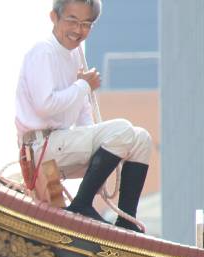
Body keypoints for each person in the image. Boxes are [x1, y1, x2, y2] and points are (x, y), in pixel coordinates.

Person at [15, 0, 150, 228]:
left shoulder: (75, 54)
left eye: (86, 24)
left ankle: (126, 221)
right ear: (54, 17)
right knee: (122, 129)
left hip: (62, 145)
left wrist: (102, 152)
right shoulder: (43, 51)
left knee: (141, 138)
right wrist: (83, 86)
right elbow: (44, 105)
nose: (79, 30)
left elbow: (82, 111)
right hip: (42, 148)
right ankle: (82, 204)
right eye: (72, 21)